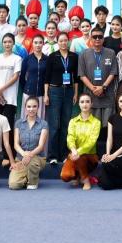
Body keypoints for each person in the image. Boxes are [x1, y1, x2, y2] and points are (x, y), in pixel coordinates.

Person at [93, 91, 122, 190]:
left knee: (106, 167)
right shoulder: (112, 118)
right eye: (121, 101)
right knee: (105, 185)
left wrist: (113, 156)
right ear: (118, 102)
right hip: (113, 154)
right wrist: (107, 154)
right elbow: (109, 138)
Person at [45, 31, 80, 163]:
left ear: (68, 41)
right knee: (54, 125)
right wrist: (46, 94)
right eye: (61, 41)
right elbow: (47, 77)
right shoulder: (52, 56)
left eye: (65, 40)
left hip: (69, 91)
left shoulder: (74, 57)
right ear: (57, 42)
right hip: (55, 91)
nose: (63, 43)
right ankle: (52, 156)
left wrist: (75, 93)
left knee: (66, 124)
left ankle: (64, 155)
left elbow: (76, 77)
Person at [78, 27, 118, 125]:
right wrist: (93, 89)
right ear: (90, 38)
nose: (97, 39)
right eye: (94, 37)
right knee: (92, 124)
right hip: (91, 95)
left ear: (103, 39)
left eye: (100, 37)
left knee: (107, 124)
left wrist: (103, 87)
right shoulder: (84, 54)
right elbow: (82, 75)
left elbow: (113, 72)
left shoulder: (111, 53)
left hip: (107, 94)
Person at [61, 93, 101, 189]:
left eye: (87, 102)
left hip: (91, 157)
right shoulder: (73, 121)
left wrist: (77, 152)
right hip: (74, 154)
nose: (85, 104)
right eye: (82, 102)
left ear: (91, 104)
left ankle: (86, 180)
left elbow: (91, 142)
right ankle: (78, 176)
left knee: (80, 157)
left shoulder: (96, 122)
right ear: (78, 104)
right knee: (65, 176)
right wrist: (73, 150)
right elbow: (70, 137)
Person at [8, 96, 49, 190]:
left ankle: (33, 181)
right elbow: (16, 144)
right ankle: (29, 176)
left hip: (38, 158)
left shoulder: (43, 124)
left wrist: (29, 155)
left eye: (34, 106)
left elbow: (41, 146)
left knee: (31, 163)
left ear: (38, 107)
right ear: (25, 107)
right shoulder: (18, 123)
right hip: (21, 158)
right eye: (29, 106)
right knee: (13, 185)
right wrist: (24, 154)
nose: (31, 109)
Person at [0, 33, 23, 124]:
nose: (7, 44)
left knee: (8, 122)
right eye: (5, 42)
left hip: (10, 96)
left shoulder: (17, 59)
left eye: (9, 42)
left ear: (13, 43)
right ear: (2, 43)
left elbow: (15, 77)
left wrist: (1, 89)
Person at [19, 33, 48, 121]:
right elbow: (22, 76)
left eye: (40, 42)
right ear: (32, 44)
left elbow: (47, 77)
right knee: (26, 117)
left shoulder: (47, 59)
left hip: (41, 93)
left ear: (43, 44)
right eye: (35, 42)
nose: (38, 45)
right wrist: (26, 88)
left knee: (40, 117)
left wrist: (46, 93)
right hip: (28, 93)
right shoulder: (27, 59)